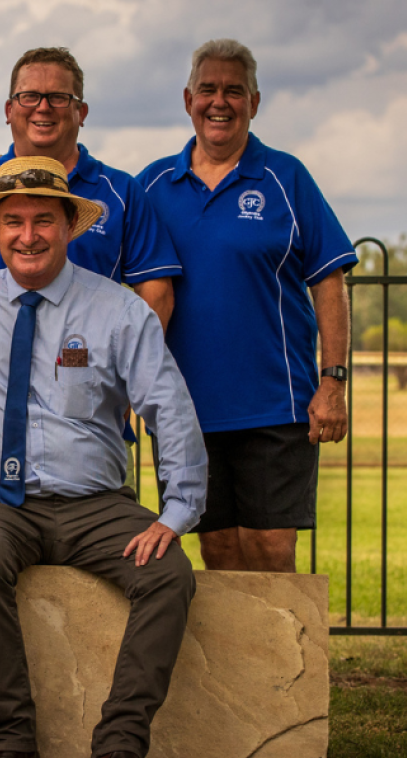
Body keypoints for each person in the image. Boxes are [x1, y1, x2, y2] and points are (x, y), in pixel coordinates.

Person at [0, 156, 207, 758]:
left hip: (95, 503)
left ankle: (118, 748)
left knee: (169, 577)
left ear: (69, 226)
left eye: (42, 220)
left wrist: (177, 512)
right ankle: (13, 746)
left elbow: (167, 407)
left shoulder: (118, 311)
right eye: (13, 222)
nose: (27, 235)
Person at [138, 39, 355, 574]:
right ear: (188, 99)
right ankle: (236, 663)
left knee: (270, 550)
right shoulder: (152, 187)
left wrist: (333, 383)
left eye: (233, 91)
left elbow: (328, 281)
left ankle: (284, 662)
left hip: (276, 408)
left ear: (254, 102)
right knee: (217, 551)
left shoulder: (286, 178)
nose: (220, 102)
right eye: (208, 89)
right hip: (185, 409)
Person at [0, 47, 180, 326]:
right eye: (29, 96)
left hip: (90, 365)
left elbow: (156, 291)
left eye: (58, 98)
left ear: (81, 112)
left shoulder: (122, 193)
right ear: (9, 110)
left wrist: (129, 358)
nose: (43, 107)